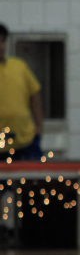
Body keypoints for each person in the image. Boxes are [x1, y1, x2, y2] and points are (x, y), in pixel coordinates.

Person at [0, 24, 44, 161]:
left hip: (26, 139)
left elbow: (35, 96)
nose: (0, 46)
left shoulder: (19, 66)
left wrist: (39, 127)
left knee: (35, 180)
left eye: (2, 41)